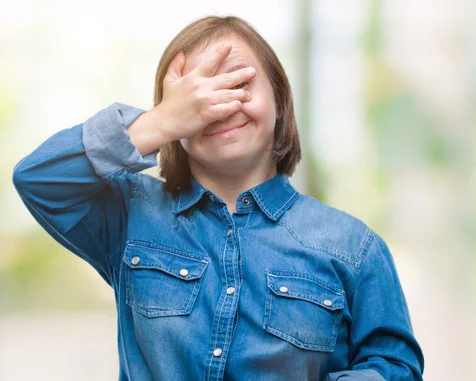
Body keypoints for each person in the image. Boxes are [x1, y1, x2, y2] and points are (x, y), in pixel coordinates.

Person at [12, 15, 424, 381]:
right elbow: (39, 178)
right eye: (197, 96)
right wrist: (161, 122)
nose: (221, 106)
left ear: (279, 101)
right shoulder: (129, 214)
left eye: (240, 85)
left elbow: (395, 367)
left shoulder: (355, 248)